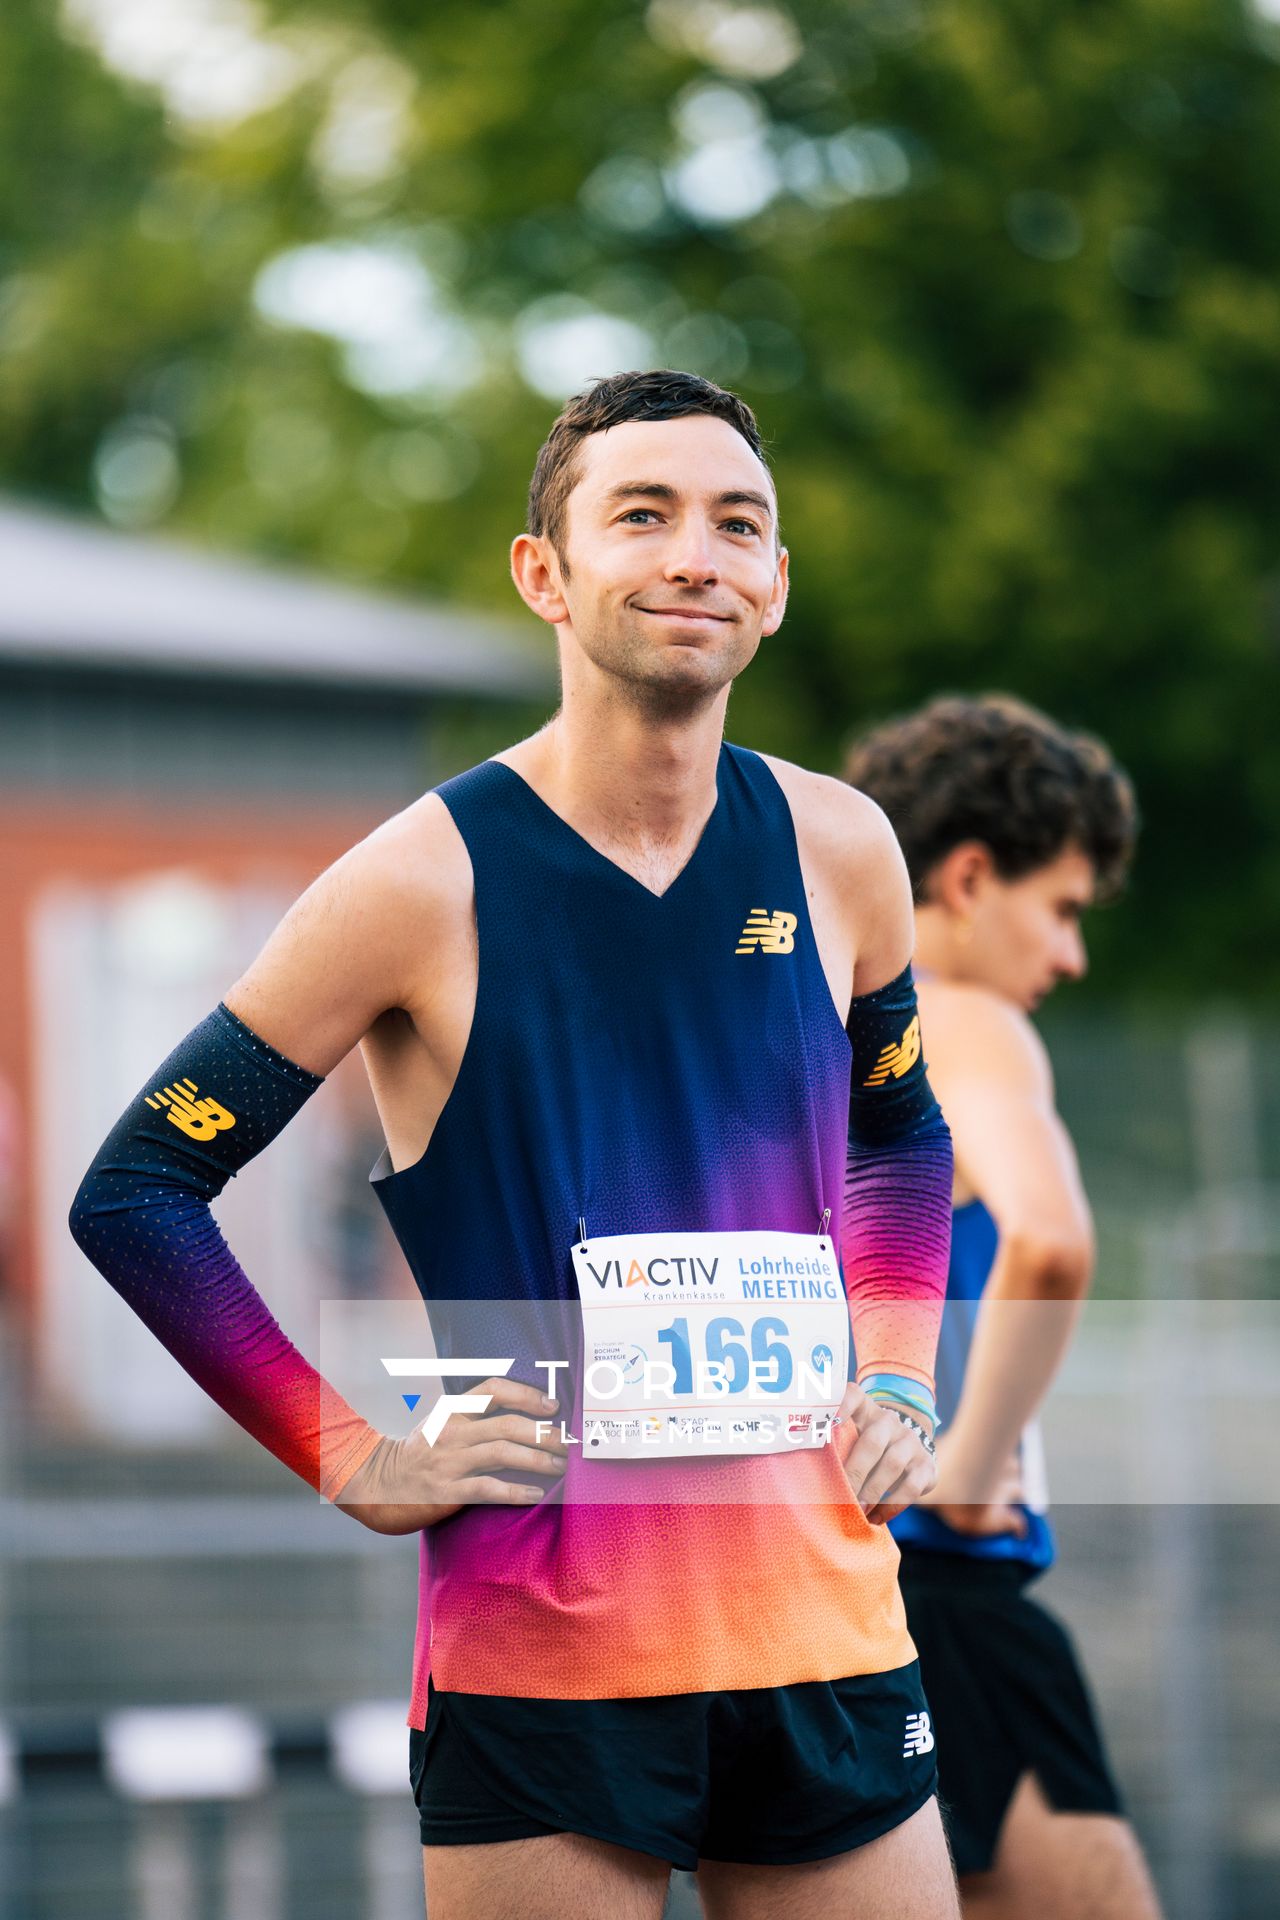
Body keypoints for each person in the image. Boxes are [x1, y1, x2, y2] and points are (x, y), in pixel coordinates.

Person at [71, 370, 960, 1920]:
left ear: (776, 586)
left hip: (829, 1633)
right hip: (547, 1663)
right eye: (643, 514)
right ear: (543, 574)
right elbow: (141, 1189)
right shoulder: (416, 882)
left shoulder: (842, 849)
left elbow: (901, 1138)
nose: (696, 554)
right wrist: (347, 1453)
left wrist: (896, 1364)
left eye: (735, 523)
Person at [845, 694, 1163, 1919]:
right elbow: (1047, 1239)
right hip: (946, 1594)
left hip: (819, 1597)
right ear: (969, 877)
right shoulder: (960, 1016)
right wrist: (969, 1466)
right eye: (1063, 909)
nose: (1071, 956)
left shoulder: (797, 1026)